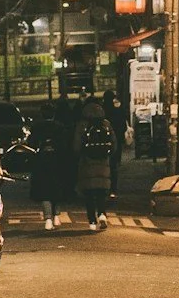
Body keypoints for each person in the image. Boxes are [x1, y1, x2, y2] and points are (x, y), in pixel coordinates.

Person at [30, 101, 76, 229]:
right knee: (57, 188)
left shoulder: (37, 127)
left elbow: (31, 144)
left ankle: (48, 219)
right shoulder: (60, 127)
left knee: (45, 190)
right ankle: (56, 216)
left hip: (42, 162)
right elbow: (66, 146)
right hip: (58, 161)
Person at [75, 97, 116, 230]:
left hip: (87, 163)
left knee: (89, 193)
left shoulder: (82, 125)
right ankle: (102, 213)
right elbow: (114, 144)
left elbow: (76, 146)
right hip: (103, 162)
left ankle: (92, 221)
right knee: (101, 191)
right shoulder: (106, 124)